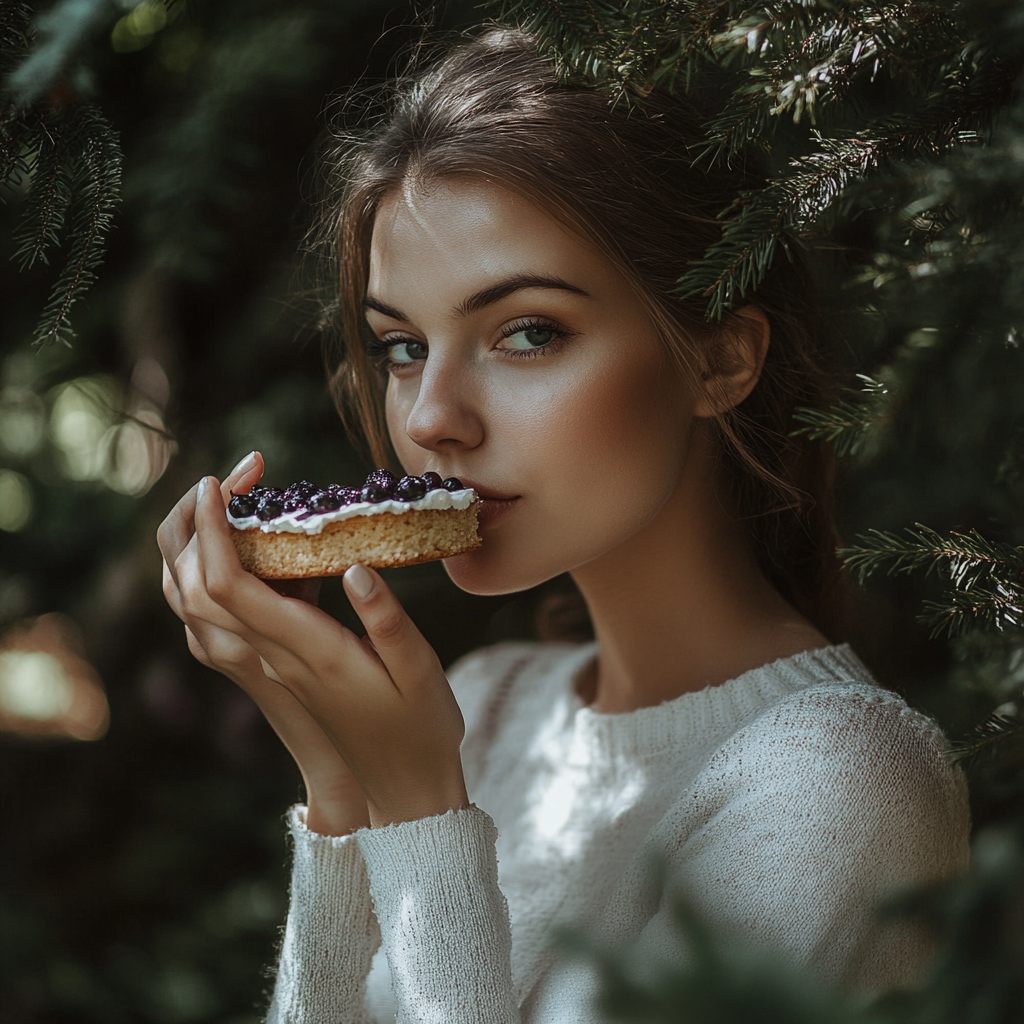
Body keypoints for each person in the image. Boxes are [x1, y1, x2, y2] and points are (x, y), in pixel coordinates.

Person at [157, 27, 970, 1023]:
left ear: (719, 358)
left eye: (527, 332)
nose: (427, 419)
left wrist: (417, 806)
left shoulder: (839, 788)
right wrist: (339, 784)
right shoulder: (487, 707)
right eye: (402, 345)